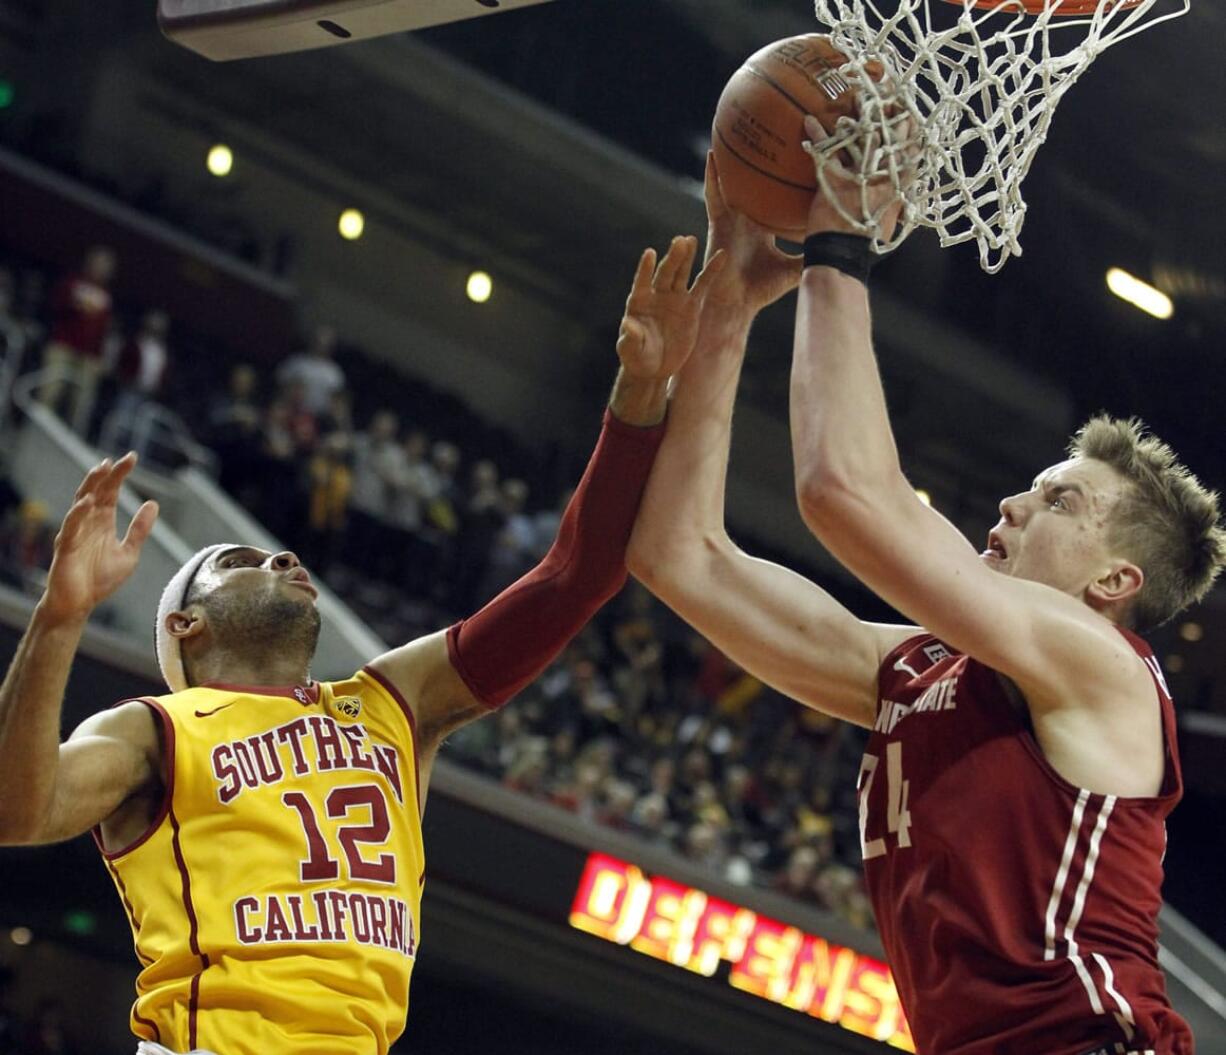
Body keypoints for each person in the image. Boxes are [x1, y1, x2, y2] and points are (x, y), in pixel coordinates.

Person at [0, 236, 724, 1055]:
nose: (279, 557)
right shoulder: (158, 728)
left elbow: (577, 576)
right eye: (239, 561)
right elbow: (16, 812)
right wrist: (59, 618)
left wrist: (640, 386)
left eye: (278, 553)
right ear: (184, 623)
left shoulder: (390, 703)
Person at [627, 142, 1222, 1055]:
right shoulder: (916, 669)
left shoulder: (1106, 666)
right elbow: (680, 556)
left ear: (1116, 582)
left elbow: (845, 492)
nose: (1014, 503)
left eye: (1060, 500)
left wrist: (838, 245)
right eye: (1032, 484)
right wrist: (732, 303)